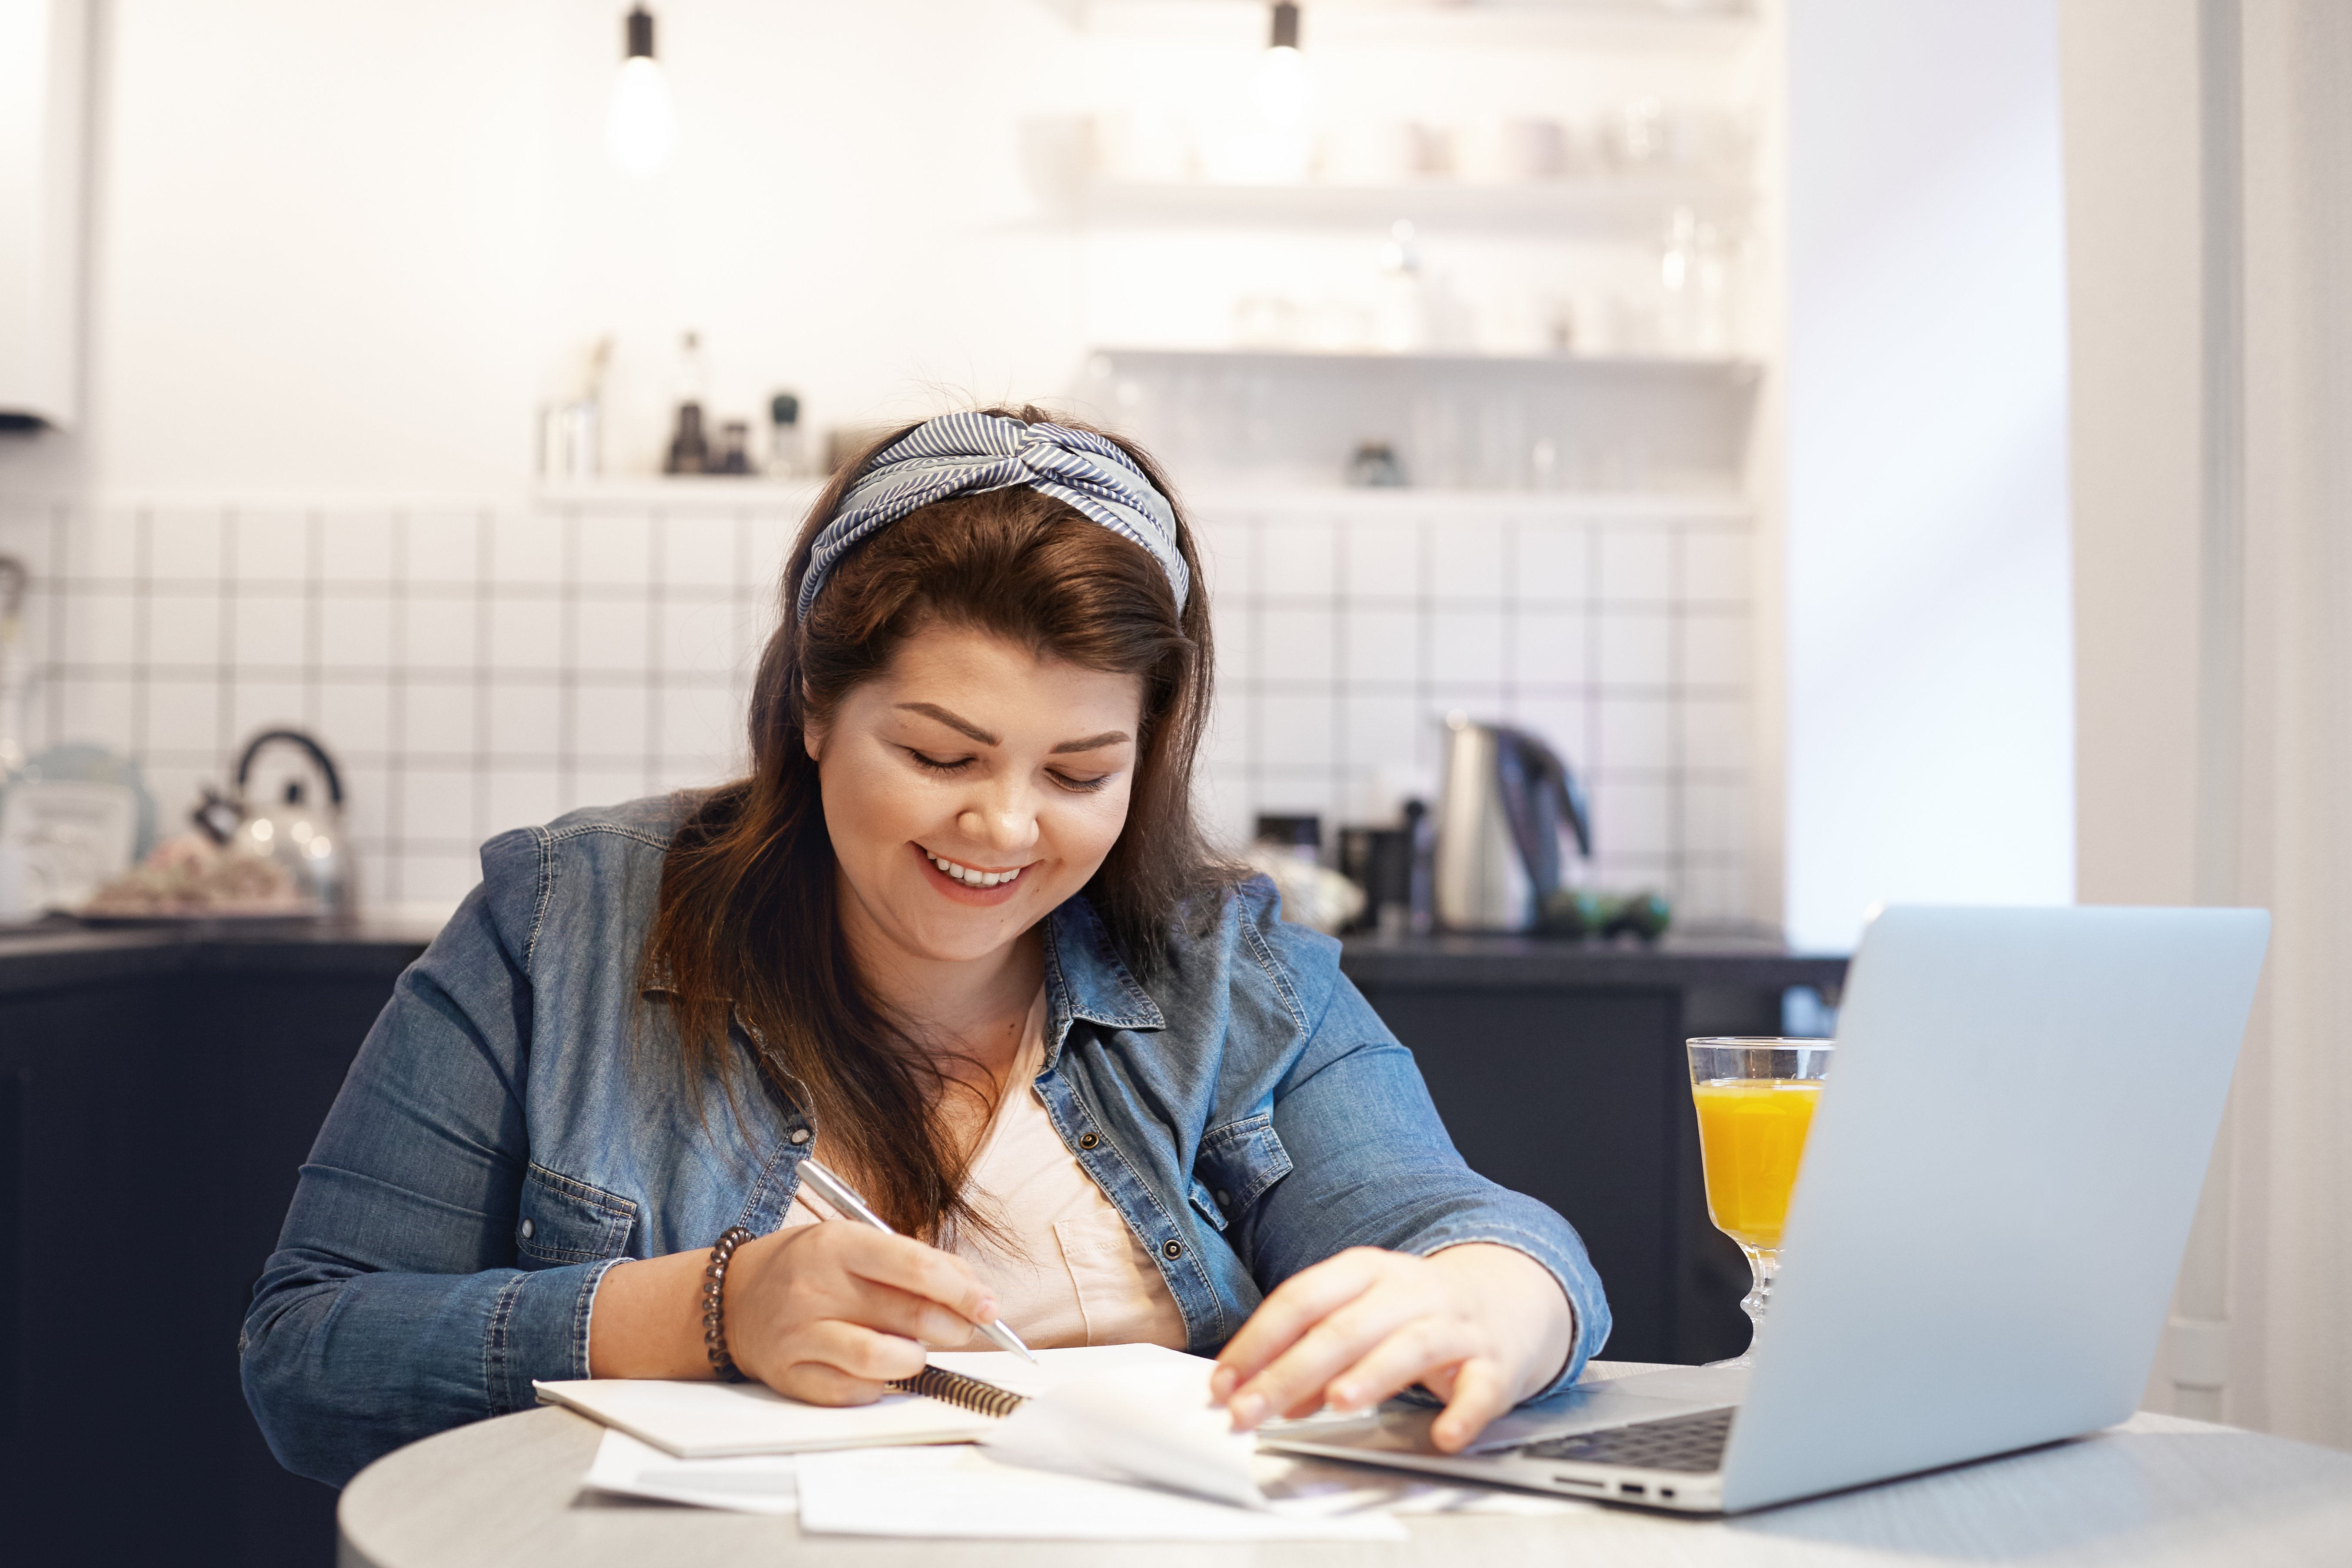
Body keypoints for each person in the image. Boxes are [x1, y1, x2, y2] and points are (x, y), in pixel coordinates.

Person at [241, 408, 1610, 1487]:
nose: (1003, 825)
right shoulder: (566, 922)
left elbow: (1457, 1229)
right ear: (815, 710)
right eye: (939, 752)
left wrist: (1494, 1301)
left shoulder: (1227, 969)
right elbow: (309, 1358)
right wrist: (713, 1311)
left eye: (1080, 773)